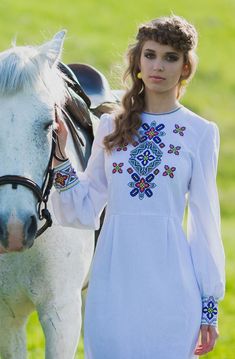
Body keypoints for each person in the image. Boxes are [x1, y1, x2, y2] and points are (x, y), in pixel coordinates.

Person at [52, 15, 225, 359]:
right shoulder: (111, 125)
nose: (158, 65)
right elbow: (85, 209)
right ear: (138, 61)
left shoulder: (200, 132)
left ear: (186, 67)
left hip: (173, 282)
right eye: (150, 55)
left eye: (170, 57)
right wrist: (60, 159)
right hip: (113, 281)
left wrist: (209, 304)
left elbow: (206, 223)